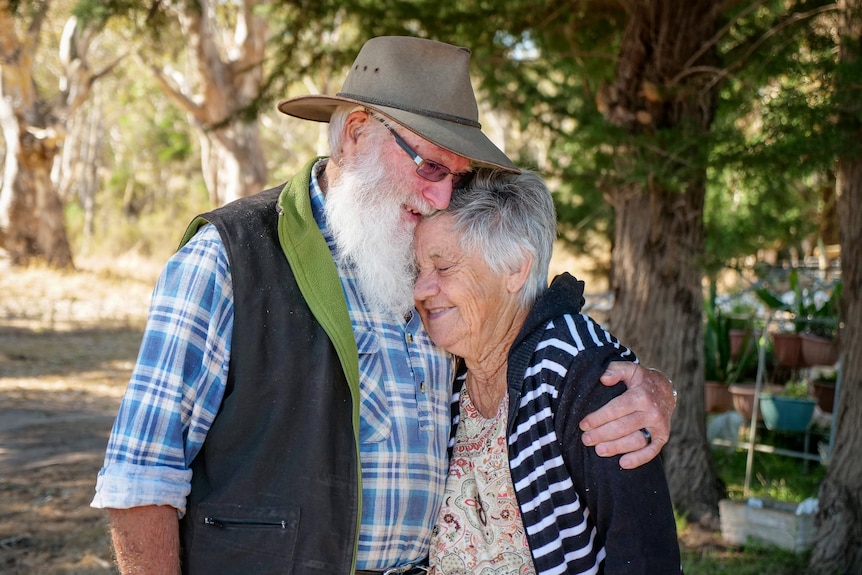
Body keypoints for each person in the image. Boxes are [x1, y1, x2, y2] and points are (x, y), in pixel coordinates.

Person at [91, 36, 676, 574]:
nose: (442, 196)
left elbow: (527, 326)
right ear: (356, 133)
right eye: (429, 166)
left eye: (458, 177)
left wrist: (647, 387)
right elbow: (140, 478)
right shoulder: (227, 257)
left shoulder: (429, 255)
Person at [413, 169, 681, 574]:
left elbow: (644, 553)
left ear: (516, 269)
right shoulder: (447, 370)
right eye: (417, 269)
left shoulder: (577, 370)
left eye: (444, 267)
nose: (420, 289)